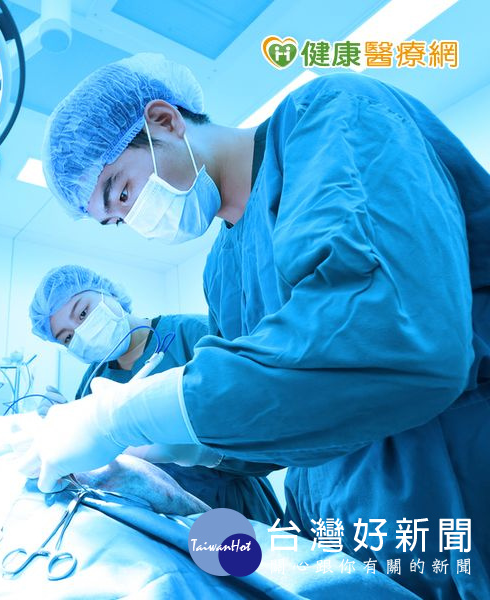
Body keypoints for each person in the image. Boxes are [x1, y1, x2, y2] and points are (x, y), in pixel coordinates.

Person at [25, 53, 490, 598]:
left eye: (122, 192)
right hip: (336, 521)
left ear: (164, 121)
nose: (134, 220)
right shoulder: (223, 271)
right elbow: (277, 416)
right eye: (117, 220)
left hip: (454, 485)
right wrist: (180, 448)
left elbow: (388, 335)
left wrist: (121, 417)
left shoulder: (330, 117)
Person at [29, 264, 283, 522]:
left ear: (108, 293)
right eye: (68, 338)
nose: (81, 333)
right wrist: (66, 425)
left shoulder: (194, 333)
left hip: (231, 507)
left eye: (83, 313)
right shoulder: (93, 380)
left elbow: (272, 435)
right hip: (148, 519)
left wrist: (198, 451)